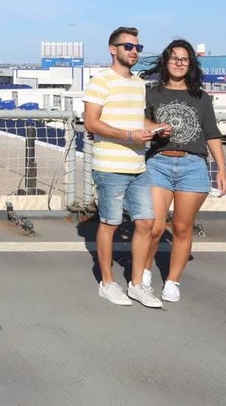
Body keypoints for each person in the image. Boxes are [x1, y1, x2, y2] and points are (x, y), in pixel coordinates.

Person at [141, 39, 226, 302]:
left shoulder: (201, 97)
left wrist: (222, 169)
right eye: (174, 58)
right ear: (165, 62)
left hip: (192, 166)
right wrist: (156, 128)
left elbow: (211, 133)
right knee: (154, 225)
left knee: (182, 228)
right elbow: (139, 119)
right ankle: (144, 273)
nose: (179, 63)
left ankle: (172, 281)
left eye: (184, 59)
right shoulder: (151, 93)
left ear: (191, 64)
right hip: (158, 163)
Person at [82, 26, 165, 308]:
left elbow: (137, 120)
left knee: (146, 223)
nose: (134, 51)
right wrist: (129, 136)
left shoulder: (139, 83)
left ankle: (137, 284)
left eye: (137, 47)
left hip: (138, 165)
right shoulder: (100, 81)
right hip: (110, 166)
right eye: (128, 46)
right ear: (112, 49)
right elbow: (91, 122)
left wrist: (156, 128)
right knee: (110, 224)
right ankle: (107, 283)